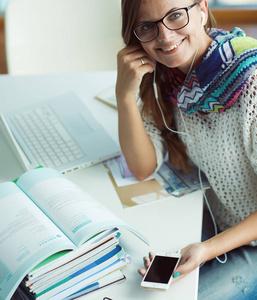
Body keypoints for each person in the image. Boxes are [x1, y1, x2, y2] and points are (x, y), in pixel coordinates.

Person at [116, 0, 257, 299]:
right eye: (147, 26)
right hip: (217, 222)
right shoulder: (170, 79)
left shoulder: (251, 81)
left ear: (202, 9)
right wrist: (125, 96)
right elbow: (142, 167)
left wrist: (206, 250)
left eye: (176, 16)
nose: (165, 36)